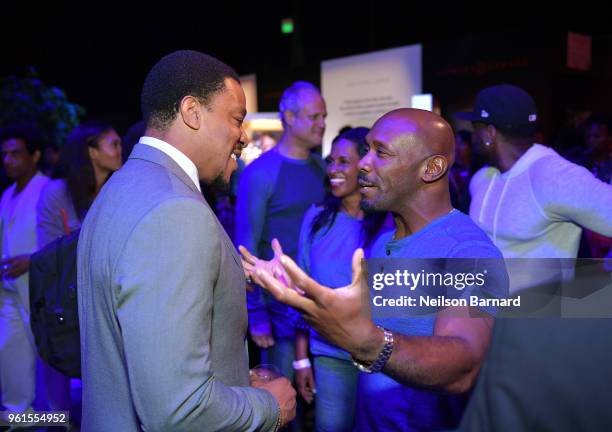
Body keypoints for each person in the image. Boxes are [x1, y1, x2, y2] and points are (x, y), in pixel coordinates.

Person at [245, 108, 507, 431]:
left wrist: (368, 342)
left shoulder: (467, 251)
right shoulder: (384, 240)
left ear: (432, 168)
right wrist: (291, 282)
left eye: (380, 153)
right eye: (367, 149)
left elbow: (465, 362)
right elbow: (382, 311)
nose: (364, 164)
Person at [77, 50, 295, 431]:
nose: (243, 137)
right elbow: (179, 408)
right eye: (236, 119)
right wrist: (266, 405)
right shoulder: (175, 211)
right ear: (192, 112)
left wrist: (237, 387)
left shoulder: (121, 188)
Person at [452, 84, 612, 431]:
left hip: (538, 347)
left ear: (490, 133)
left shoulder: (553, 176)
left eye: (476, 130)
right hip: (482, 339)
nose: (473, 138)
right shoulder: (483, 179)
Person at [292, 127, 387, 431]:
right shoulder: (317, 219)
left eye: (343, 162)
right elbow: (301, 291)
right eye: (331, 161)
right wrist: (301, 359)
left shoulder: (389, 224)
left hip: (379, 356)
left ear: (366, 165)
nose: (333, 169)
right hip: (329, 353)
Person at [235, 81, 327, 381]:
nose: (322, 124)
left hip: (321, 300)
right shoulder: (260, 172)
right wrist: (257, 315)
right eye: (315, 116)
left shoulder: (322, 169)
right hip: (279, 306)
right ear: (289, 117)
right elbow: (245, 248)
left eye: (323, 117)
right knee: (282, 401)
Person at [35, 120, 122, 413]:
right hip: (69, 300)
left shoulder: (118, 191)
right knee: (61, 376)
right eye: (113, 144)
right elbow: (49, 251)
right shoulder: (58, 193)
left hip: (109, 296)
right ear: (92, 152)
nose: (121, 150)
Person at [0, 125, 48, 415]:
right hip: (8, 293)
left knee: (47, 367)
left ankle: (56, 419)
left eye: (15, 154)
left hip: (37, 289)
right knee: (11, 362)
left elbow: (66, 239)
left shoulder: (49, 189)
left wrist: (33, 260)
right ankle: (19, 418)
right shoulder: (7, 194)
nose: (8, 161)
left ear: (35, 155)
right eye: (4, 155)